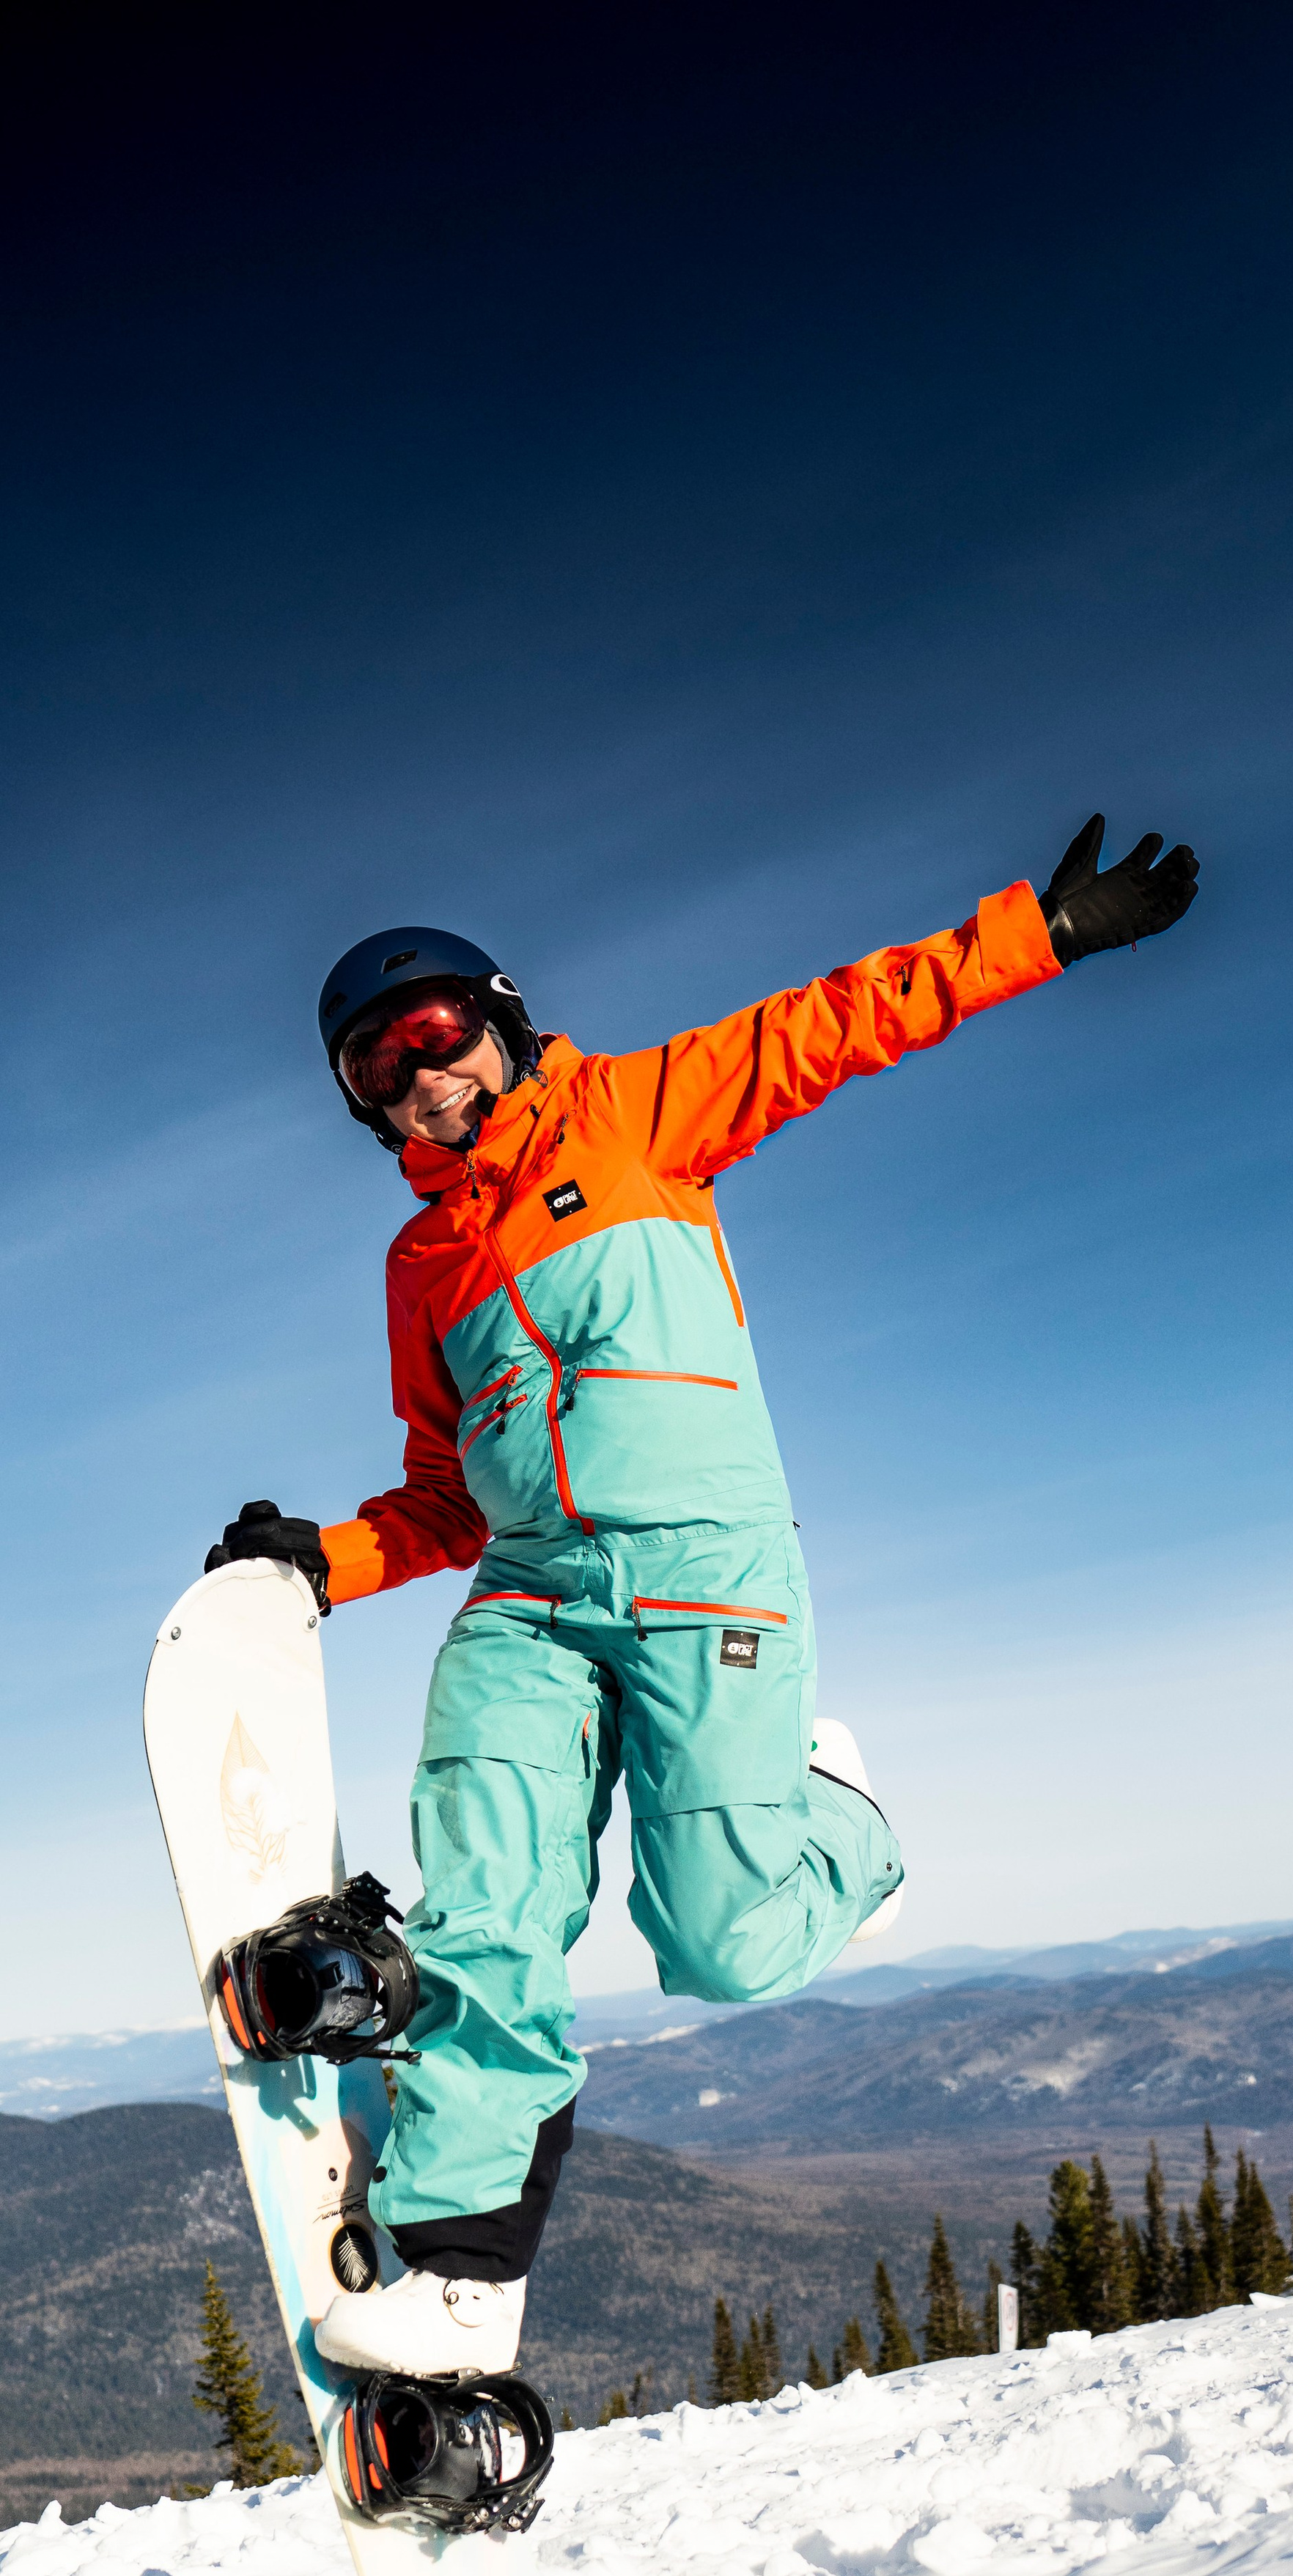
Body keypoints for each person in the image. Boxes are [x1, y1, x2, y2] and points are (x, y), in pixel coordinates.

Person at [206, 813, 1199, 2377]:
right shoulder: (423, 1268)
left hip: (700, 1572)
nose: (415, 1081)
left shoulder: (633, 1117)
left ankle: (846, 1824)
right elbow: (449, 1495)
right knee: (489, 1900)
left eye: (430, 1036)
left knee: (724, 1945)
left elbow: (835, 1021)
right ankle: (465, 2280)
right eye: (372, 1072)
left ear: (499, 1017)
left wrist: (1039, 933)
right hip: (531, 1598)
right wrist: (321, 1561)